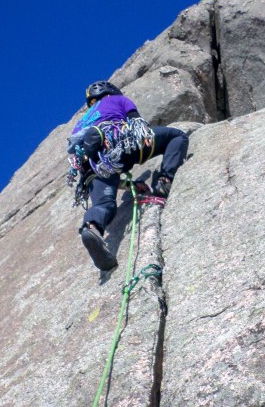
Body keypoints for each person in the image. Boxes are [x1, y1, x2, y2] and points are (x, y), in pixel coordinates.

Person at [66, 81, 189, 270]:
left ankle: (91, 228)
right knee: (176, 136)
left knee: (104, 204)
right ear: (111, 91)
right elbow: (138, 124)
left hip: (91, 165)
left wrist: (125, 184)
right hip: (120, 143)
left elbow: (104, 167)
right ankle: (165, 179)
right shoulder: (118, 99)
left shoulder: (80, 123)